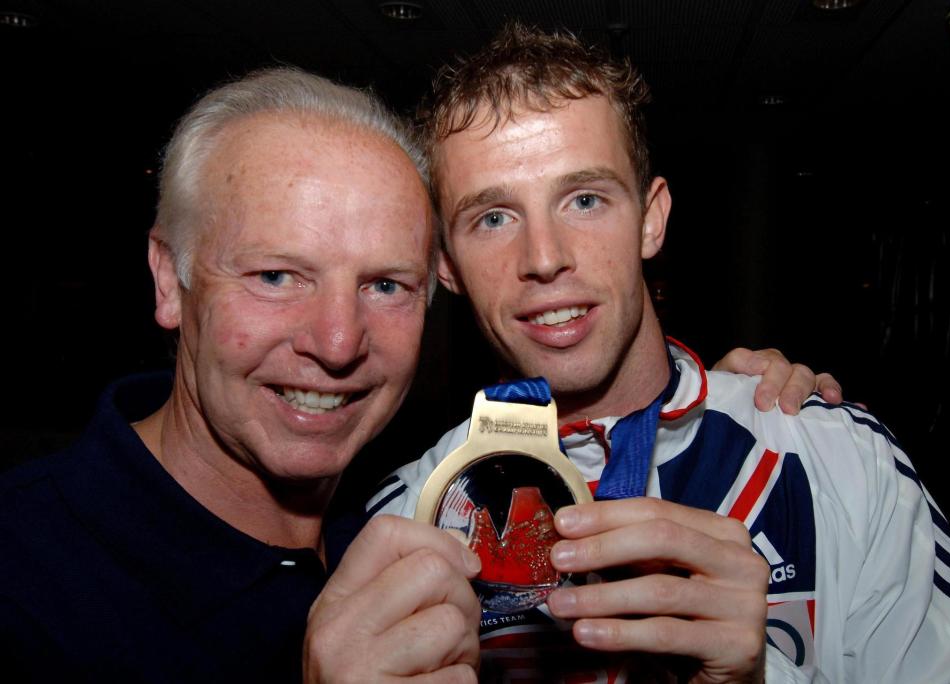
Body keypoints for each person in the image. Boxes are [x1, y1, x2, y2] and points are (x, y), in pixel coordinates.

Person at [0, 66, 832, 682]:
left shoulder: (410, 515)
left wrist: (734, 404)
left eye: (384, 285)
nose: (336, 341)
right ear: (165, 278)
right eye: (276, 275)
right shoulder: (26, 575)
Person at [366, 24, 950, 683]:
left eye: (585, 200)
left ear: (652, 218)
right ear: (446, 265)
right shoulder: (410, 519)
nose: (543, 258)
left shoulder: (840, 458)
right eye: (493, 218)